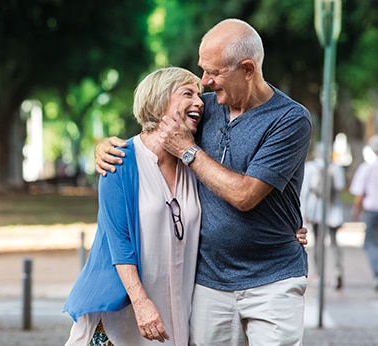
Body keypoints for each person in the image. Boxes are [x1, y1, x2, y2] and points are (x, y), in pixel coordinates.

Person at [95, 18, 311, 345]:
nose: (205, 82)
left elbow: (245, 195)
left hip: (273, 281)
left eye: (214, 73)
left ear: (248, 69)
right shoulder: (205, 108)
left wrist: (189, 150)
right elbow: (156, 130)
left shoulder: (289, 119)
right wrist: (103, 147)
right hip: (209, 285)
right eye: (202, 71)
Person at [62, 67, 205, 345]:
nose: (200, 102)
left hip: (176, 310)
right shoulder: (120, 160)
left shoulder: (196, 163)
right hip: (124, 312)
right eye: (188, 93)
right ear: (160, 100)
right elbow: (120, 243)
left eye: (200, 95)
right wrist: (142, 303)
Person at [300, 142, 345, 289]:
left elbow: (305, 191)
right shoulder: (336, 168)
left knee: (318, 242)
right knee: (334, 242)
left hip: (316, 211)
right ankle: (337, 271)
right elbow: (340, 187)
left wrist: (304, 212)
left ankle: (318, 274)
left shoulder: (311, 167)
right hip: (333, 212)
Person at [350, 134, 378, 291]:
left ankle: (377, 274)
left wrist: (356, 211)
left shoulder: (367, 168)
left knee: (371, 243)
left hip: (373, 211)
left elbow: (360, 194)